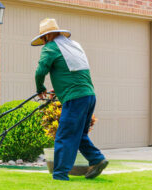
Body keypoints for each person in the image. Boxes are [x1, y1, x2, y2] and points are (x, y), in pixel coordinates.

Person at [31, 18, 109, 181]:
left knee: (64, 135)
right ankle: (97, 159)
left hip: (75, 98)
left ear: (46, 36)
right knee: (78, 134)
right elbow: (71, 73)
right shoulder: (74, 45)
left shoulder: (50, 47)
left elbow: (40, 72)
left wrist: (40, 89)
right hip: (89, 96)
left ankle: (60, 174)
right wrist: (59, 90)